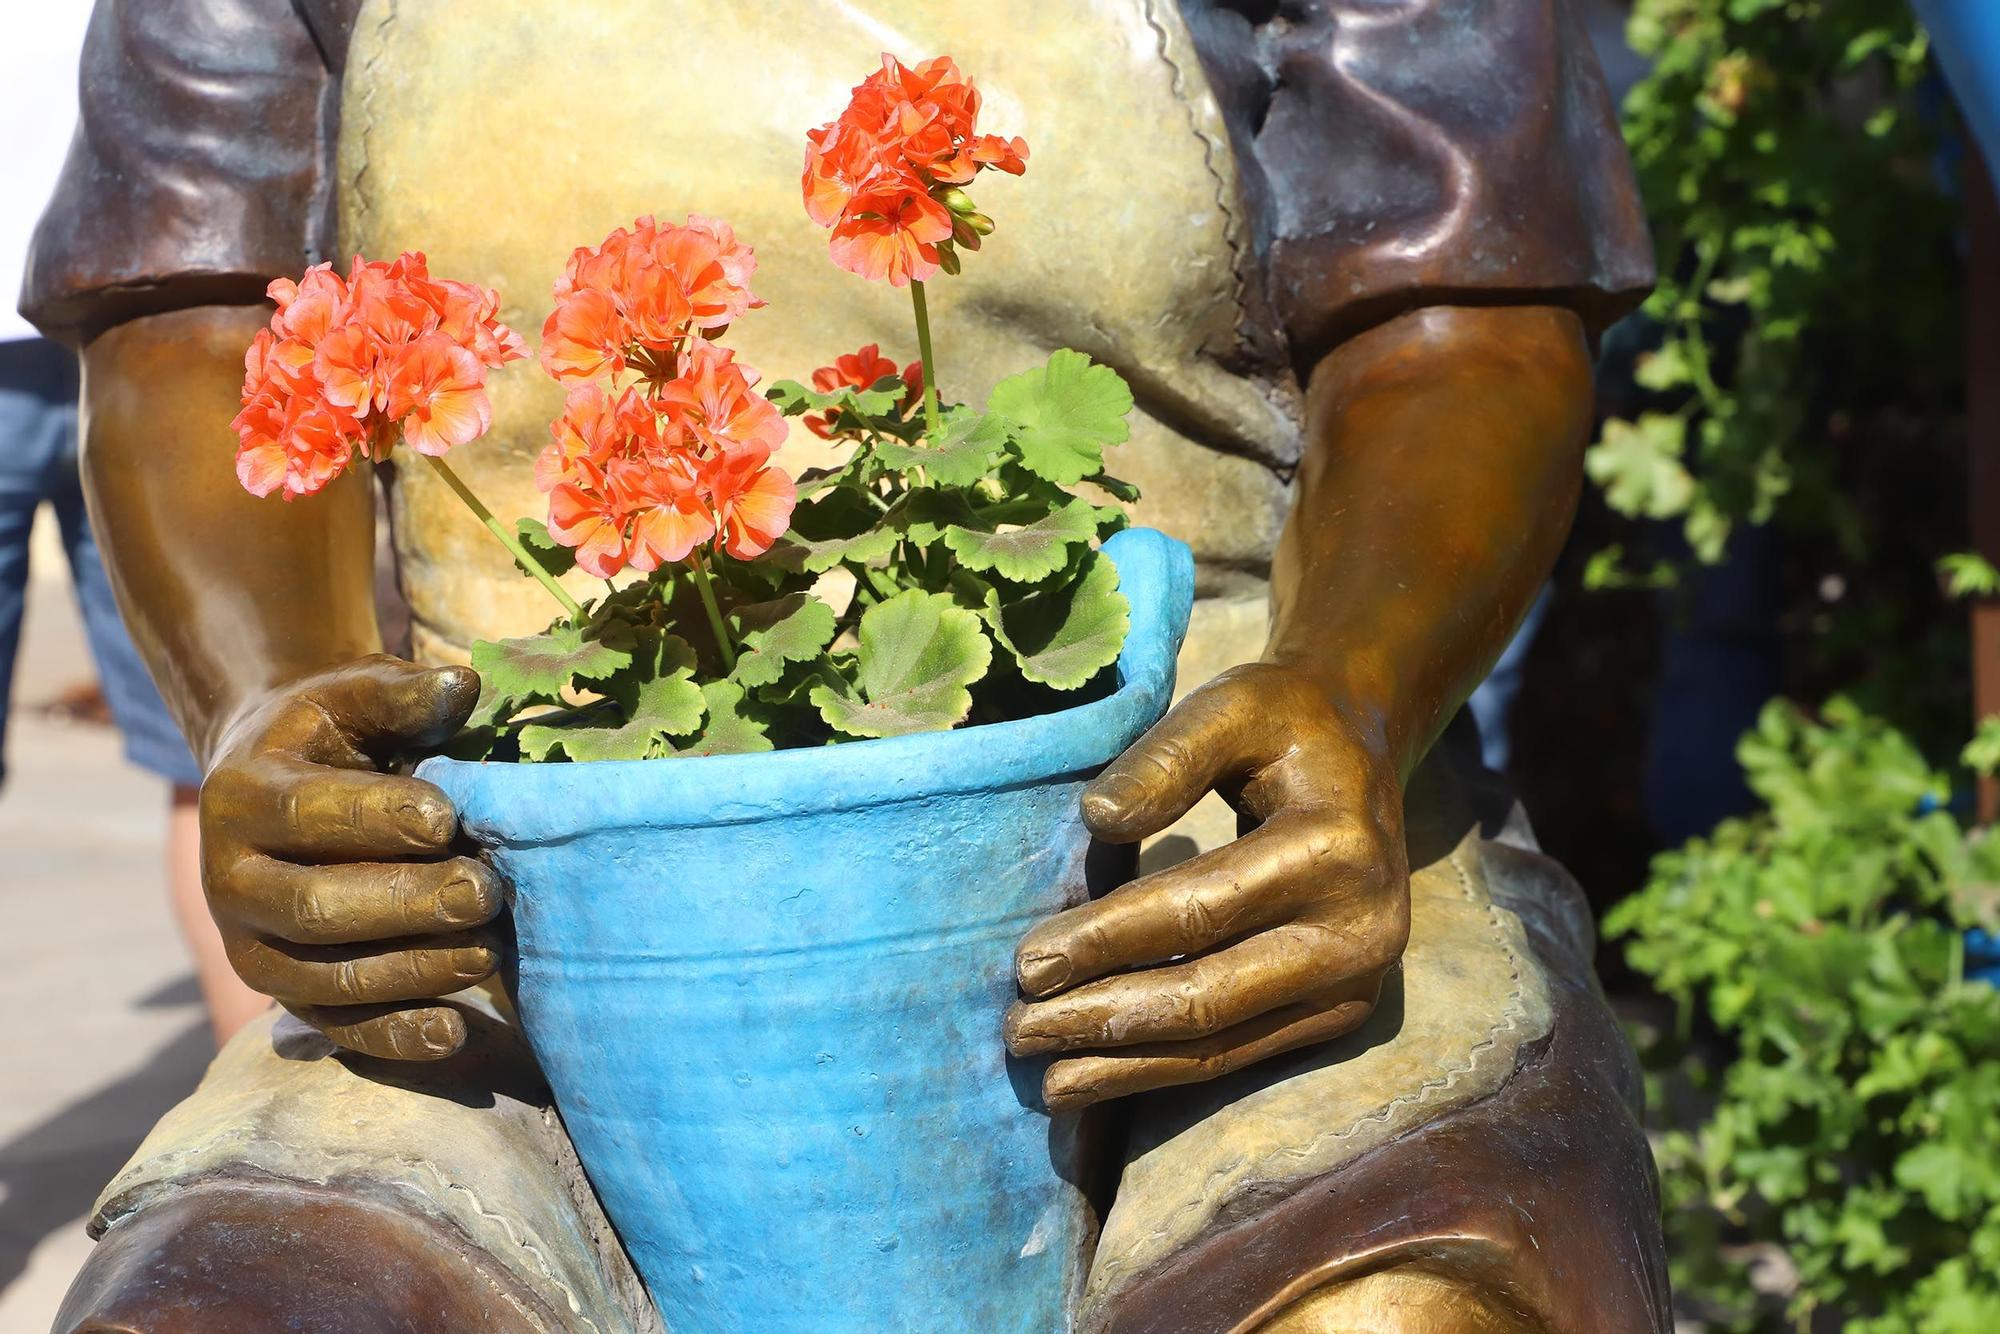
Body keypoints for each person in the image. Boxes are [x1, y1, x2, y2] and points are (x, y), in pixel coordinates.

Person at [33, 2, 1667, 1329]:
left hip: (1220, 850)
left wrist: (1356, 688)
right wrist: (268, 696)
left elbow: (1460, 305)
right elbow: (193, 315)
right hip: (510, 911)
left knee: (1393, 1313)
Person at [0, 2, 266, 1046]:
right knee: (217, 751)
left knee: (226, 743)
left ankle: (266, 1139)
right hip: (173, 296)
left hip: (181, 312)